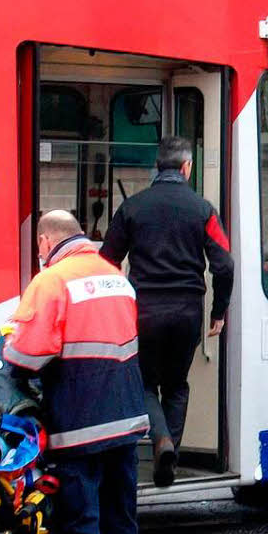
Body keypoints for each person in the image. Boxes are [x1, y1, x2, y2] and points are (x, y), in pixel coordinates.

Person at [4, 211, 148, 534]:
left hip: (80, 422)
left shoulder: (52, 281)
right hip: (126, 416)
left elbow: (25, 356)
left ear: (47, 241)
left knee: (79, 517)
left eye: (39, 247)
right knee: (119, 512)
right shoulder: (115, 276)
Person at [100, 138, 233, 488]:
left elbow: (107, 260)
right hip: (188, 311)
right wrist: (219, 311)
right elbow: (224, 264)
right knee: (176, 385)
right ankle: (169, 450)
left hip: (142, 310)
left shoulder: (133, 208)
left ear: (158, 167)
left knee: (144, 383)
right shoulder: (202, 210)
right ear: (187, 167)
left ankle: (160, 441)